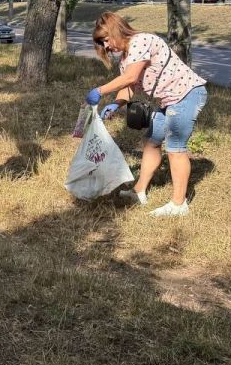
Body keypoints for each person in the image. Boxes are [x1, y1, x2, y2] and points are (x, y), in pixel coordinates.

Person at [87, 12, 207, 217]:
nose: (106, 46)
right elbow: (129, 85)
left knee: (175, 147)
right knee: (152, 141)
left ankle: (179, 205)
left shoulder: (141, 41)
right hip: (168, 100)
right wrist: (116, 104)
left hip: (186, 94)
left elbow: (130, 77)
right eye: (101, 43)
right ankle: (139, 191)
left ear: (116, 30)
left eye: (106, 39)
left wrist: (99, 90)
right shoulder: (125, 58)